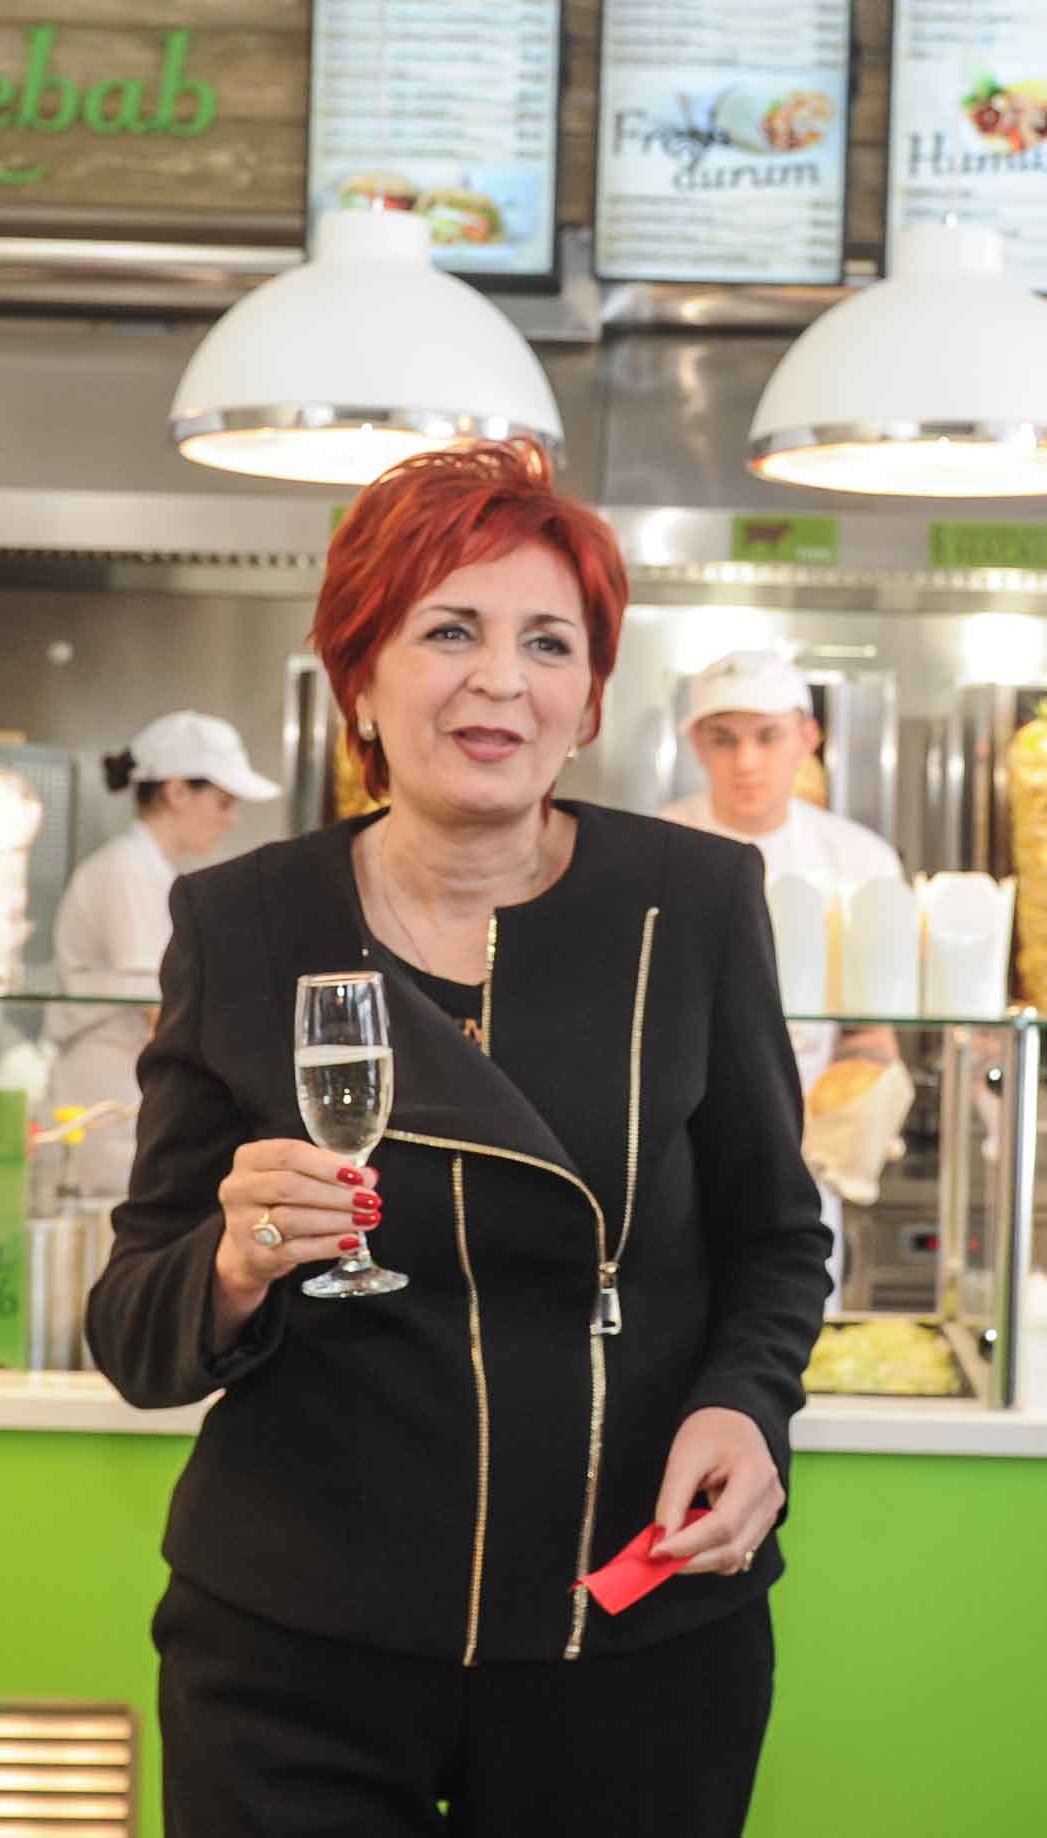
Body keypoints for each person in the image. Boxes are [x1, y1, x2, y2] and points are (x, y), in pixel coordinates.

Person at [85, 439, 829, 1838]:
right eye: (448, 631)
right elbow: (134, 1333)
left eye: (548, 641)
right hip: (296, 1652)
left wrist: (747, 1405)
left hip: (627, 1633)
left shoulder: (693, 903)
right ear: (359, 678)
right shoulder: (243, 921)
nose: (501, 678)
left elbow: (778, 1237)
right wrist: (236, 1260)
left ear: (589, 699)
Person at [662, 650, 905, 1305]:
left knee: (788, 1329)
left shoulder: (861, 861)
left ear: (807, 737)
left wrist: (842, 1127)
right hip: (675, 1163)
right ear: (695, 743)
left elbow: (872, 1036)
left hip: (805, 1164)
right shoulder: (653, 849)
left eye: (768, 736)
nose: (746, 761)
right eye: (724, 739)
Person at [44, 711, 279, 1202]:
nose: (231, 820)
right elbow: (159, 1012)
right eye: (223, 802)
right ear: (176, 792)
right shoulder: (127, 871)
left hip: (127, 1093)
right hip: (106, 1096)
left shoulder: (152, 871)